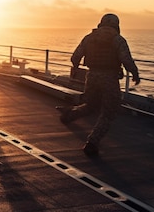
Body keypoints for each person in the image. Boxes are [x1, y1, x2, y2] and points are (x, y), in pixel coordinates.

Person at [57, 13, 140, 157]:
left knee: (91, 105)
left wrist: (76, 68)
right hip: (109, 78)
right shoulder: (118, 40)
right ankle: (93, 142)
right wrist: (135, 73)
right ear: (116, 24)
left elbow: (75, 56)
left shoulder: (89, 38)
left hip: (92, 76)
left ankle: (69, 115)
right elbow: (126, 60)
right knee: (109, 111)